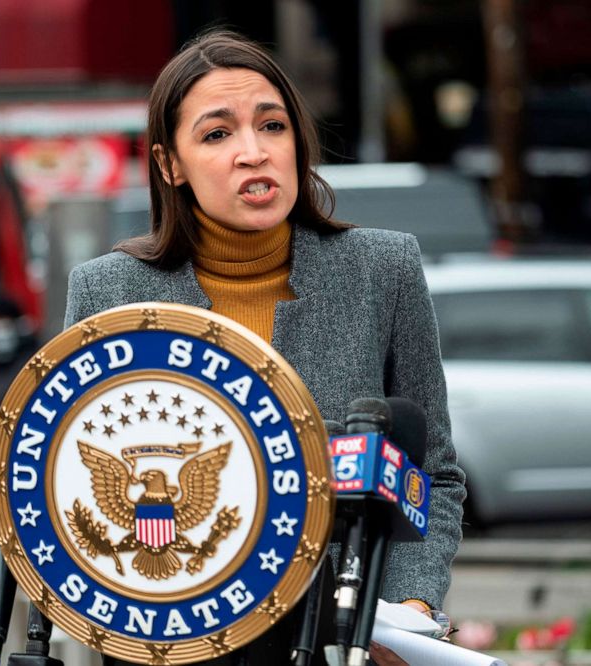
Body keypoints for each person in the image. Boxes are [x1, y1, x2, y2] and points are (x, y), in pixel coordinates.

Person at [63, 30, 466, 666]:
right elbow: (72, 484)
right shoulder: (106, 290)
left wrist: (408, 607)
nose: (253, 152)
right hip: (164, 644)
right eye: (217, 134)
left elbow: (432, 475)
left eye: (272, 126)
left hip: (338, 636)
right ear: (171, 164)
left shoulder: (382, 268)